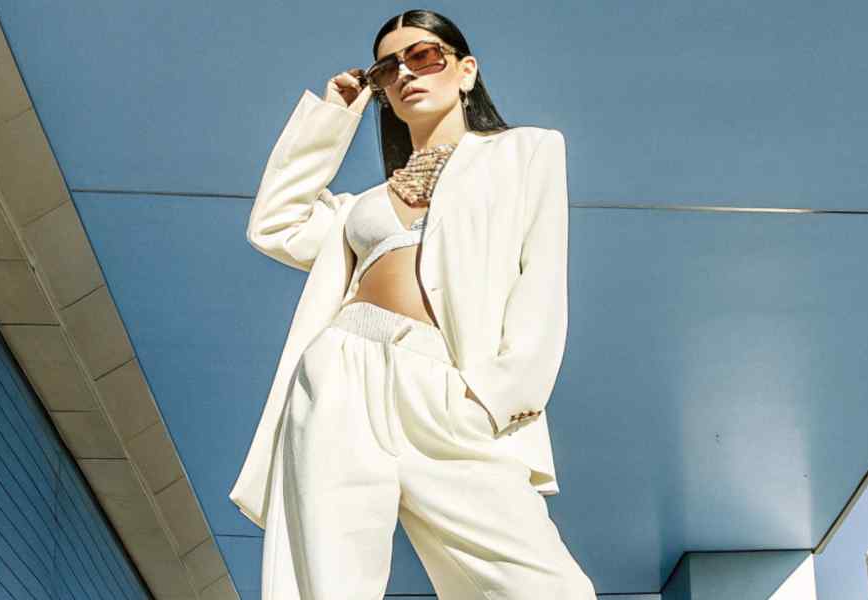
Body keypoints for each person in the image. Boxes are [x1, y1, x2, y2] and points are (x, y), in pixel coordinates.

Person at [226, 8, 594, 599]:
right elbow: (277, 224)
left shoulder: (526, 152)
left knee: (550, 589)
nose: (405, 74)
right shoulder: (362, 206)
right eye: (385, 69)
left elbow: (541, 281)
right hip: (340, 375)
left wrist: (493, 400)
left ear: (465, 70)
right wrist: (334, 116)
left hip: (451, 391)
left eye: (423, 56)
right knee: (328, 583)